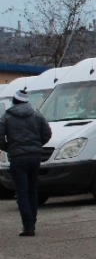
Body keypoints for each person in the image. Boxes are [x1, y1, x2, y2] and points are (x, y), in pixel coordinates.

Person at [0, 90, 51, 236]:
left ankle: (28, 226)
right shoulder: (37, 114)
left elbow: (0, 137)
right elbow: (47, 133)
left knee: (22, 192)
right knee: (32, 190)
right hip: (35, 157)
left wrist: (9, 148)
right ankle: (32, 222)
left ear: (14, 101)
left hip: (17, 158)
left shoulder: (6, 117)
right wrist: (37, 145)